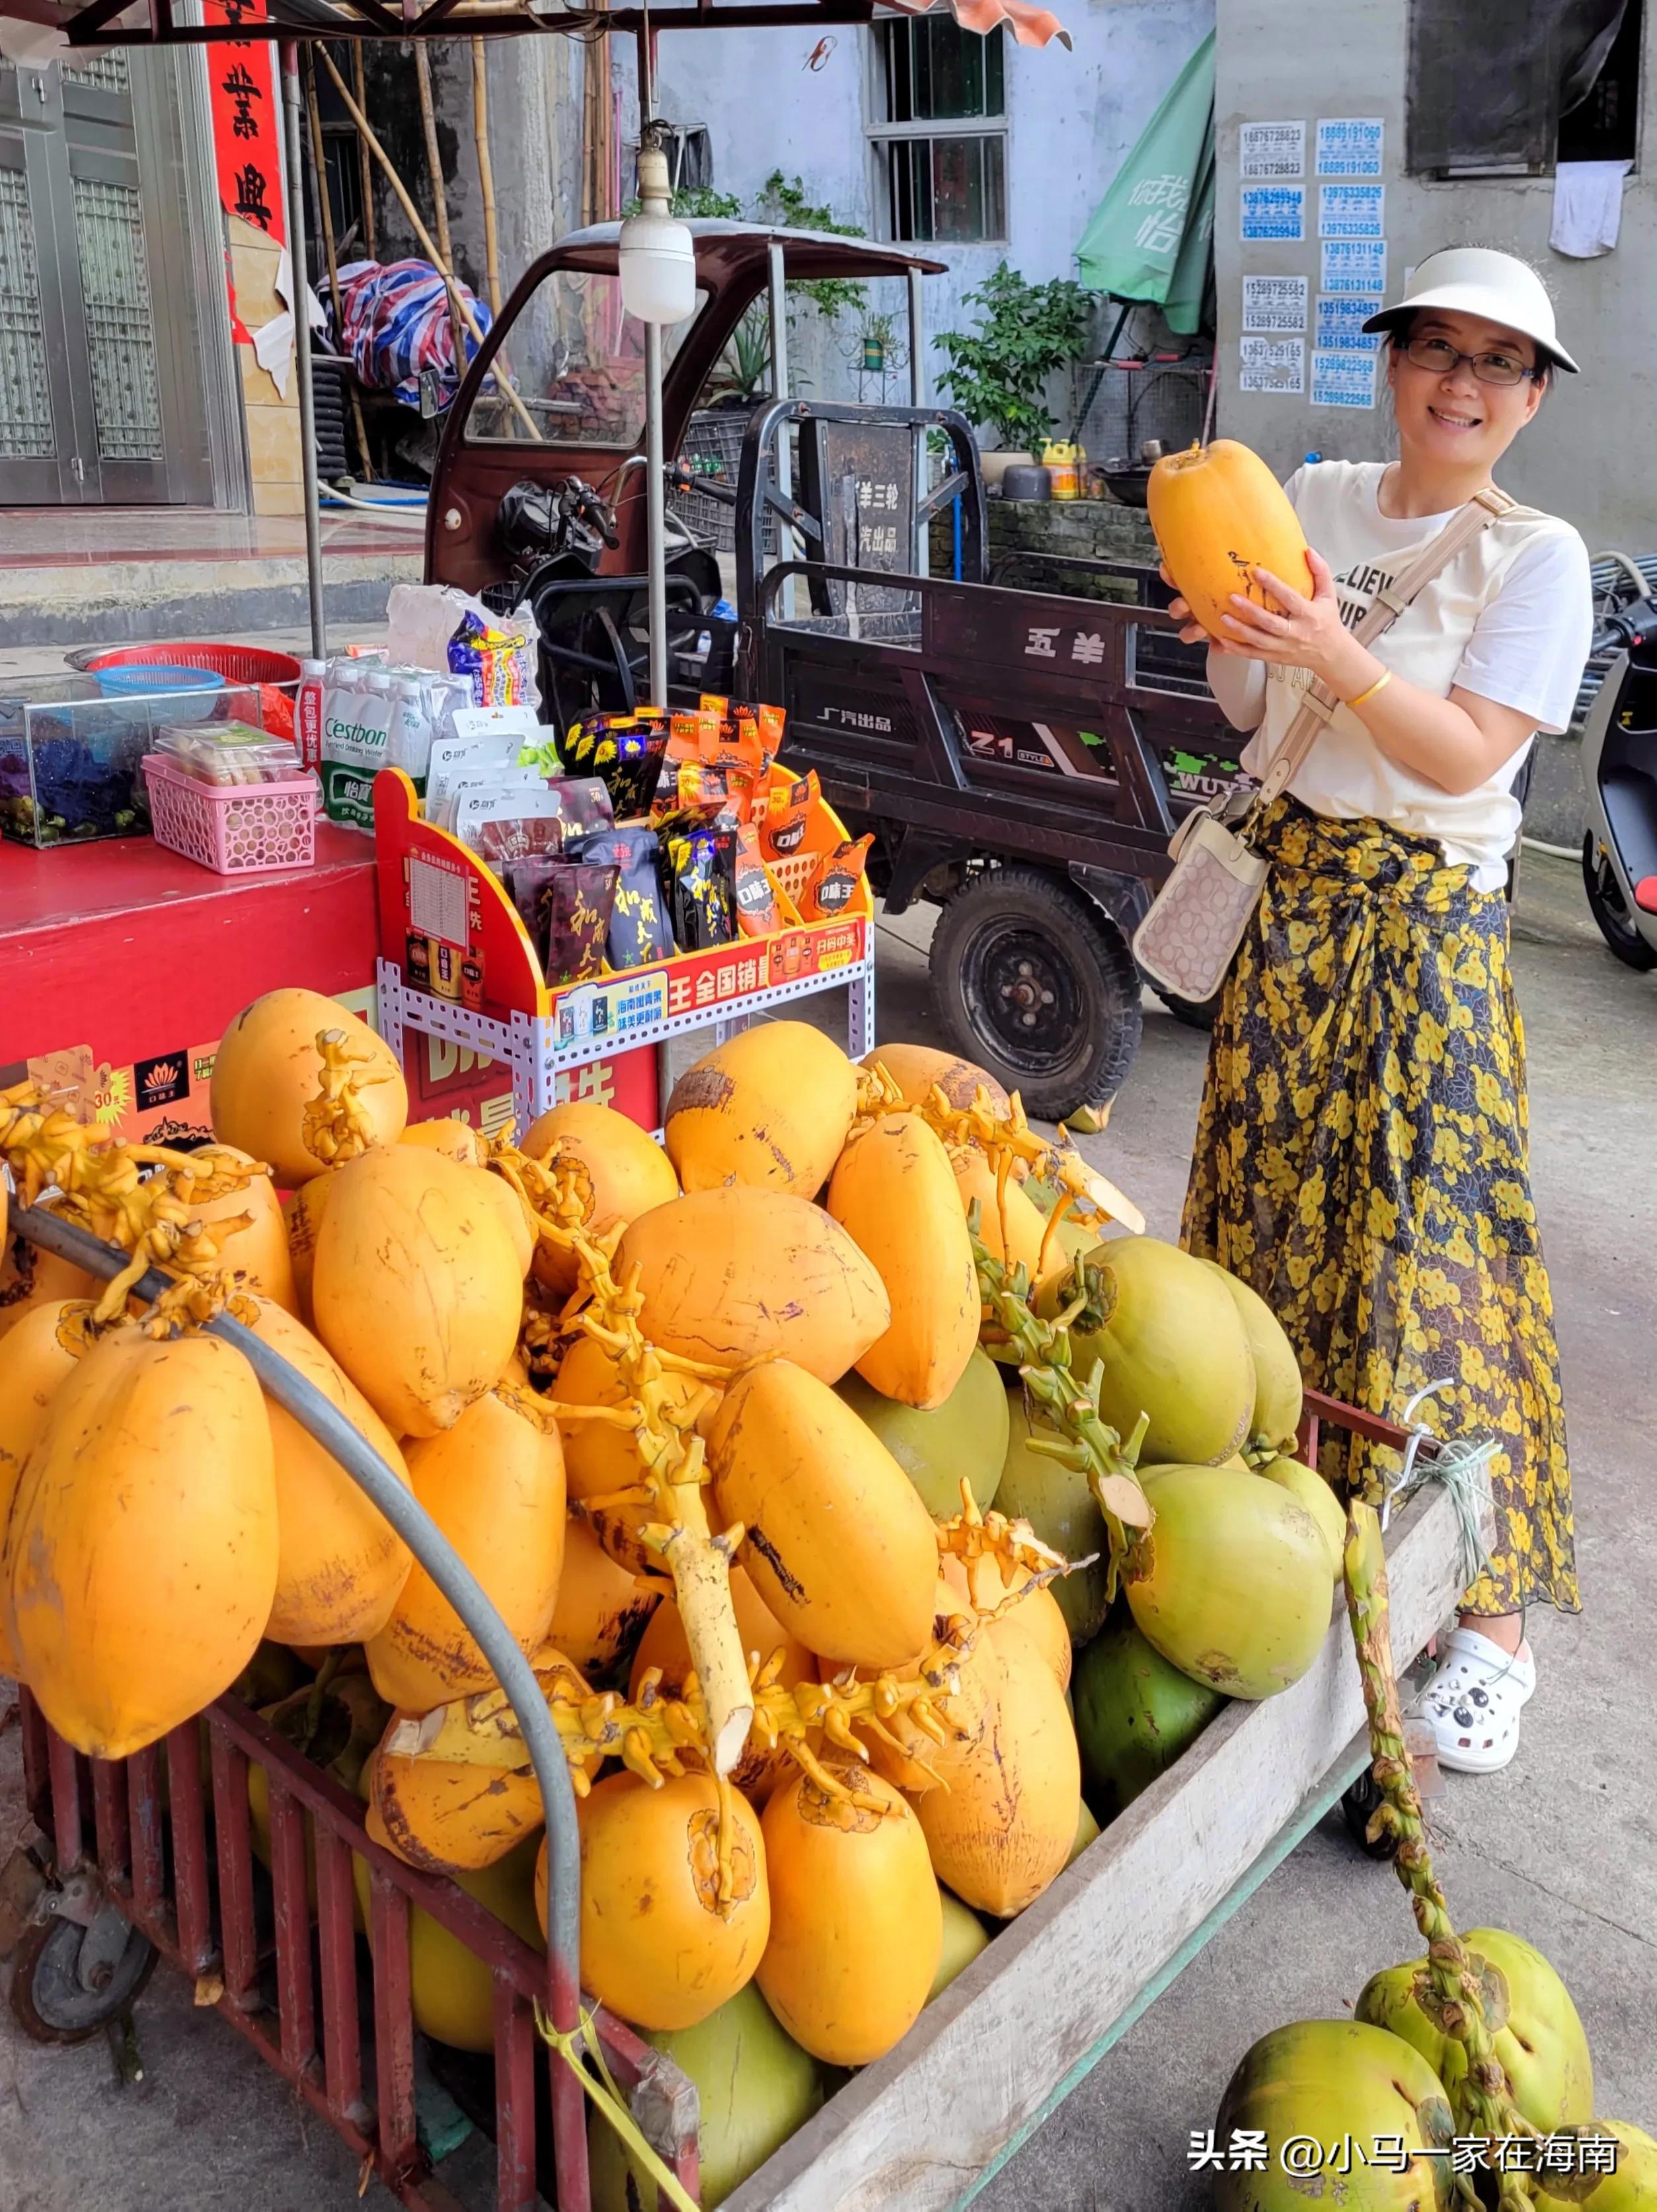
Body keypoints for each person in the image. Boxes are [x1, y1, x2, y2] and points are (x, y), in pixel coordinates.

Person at [1168, 247, 1592, 1774]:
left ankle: (1491, 1626)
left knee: (1439, 1276)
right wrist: (1233, 626)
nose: (1462, 384)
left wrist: (1334, 651)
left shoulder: (1537, 557)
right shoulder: (1312, 497)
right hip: (1291, 932)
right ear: (1391, 361)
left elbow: (1468, 758)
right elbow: (1243, 707)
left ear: (1532, 399)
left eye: (1498, 363)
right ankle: (1298, 1547)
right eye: (1437, 349)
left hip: (1424, 957)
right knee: (1275, 1256)